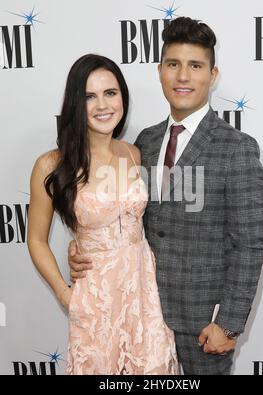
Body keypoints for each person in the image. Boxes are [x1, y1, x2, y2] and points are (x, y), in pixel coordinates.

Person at [68, 18, 263, 375]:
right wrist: (83, 246)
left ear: (213, 74)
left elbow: (250, 245)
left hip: (203, 327)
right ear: (160, 71)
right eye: (173, 64)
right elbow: (128, 216)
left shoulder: (237, 148)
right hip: (140, 316)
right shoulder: (145, 142)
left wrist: (230, 324)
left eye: (195, 66)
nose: (183, 77)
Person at [27, 54, 178, 375]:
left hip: (144, 294)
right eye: (89, 96)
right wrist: (65, 294)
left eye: (110, 93)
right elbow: (36, 240)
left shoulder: (133, 153)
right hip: (96, 301)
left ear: (122, 97)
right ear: (75, 104)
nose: (102, 105)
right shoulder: (51, 165)